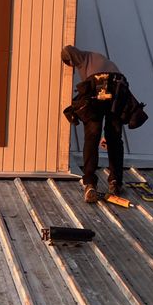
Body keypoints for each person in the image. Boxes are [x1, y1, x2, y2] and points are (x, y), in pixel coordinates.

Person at [61, 46, 129, 203]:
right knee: (114, 138)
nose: (72, 66)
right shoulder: (94, 57)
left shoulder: (83, 64)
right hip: (119, 88)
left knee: (92, 137)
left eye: (70, 63)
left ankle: (90, 183)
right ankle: (115, 182)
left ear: (73, 58)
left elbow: (92, 91)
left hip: (98, 87)